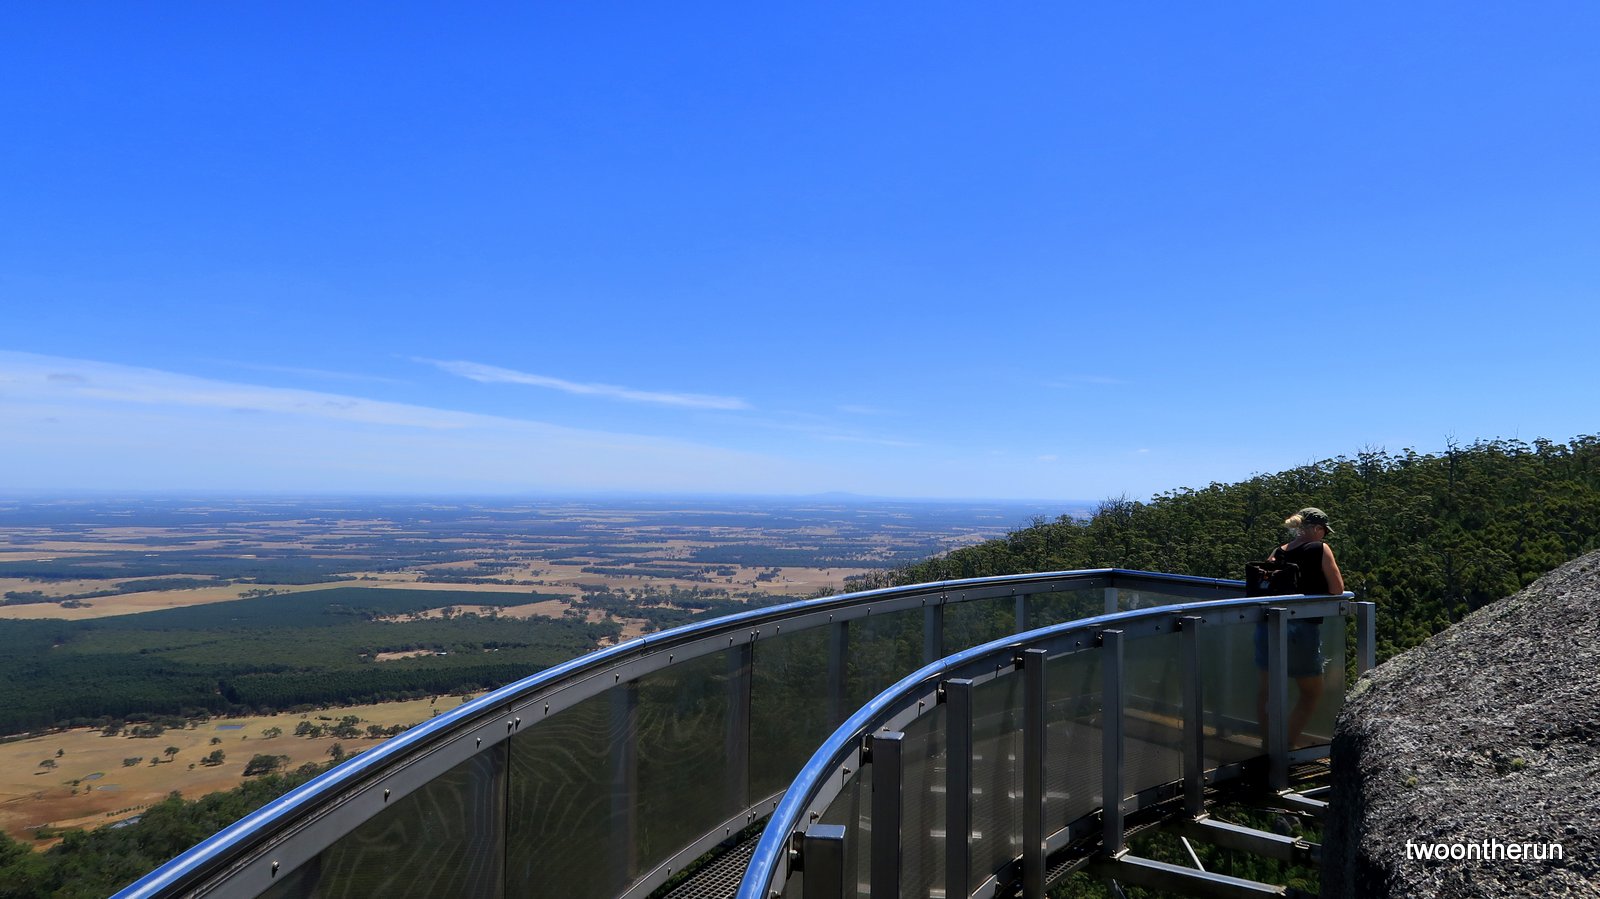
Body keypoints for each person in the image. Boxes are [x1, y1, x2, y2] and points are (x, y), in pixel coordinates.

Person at [1254, 507, 1346, 749]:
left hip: (1268, 625)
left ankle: (1267, 745)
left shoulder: (1278, 552)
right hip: (1301, 628)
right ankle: (1285, 745)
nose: (1324, 536)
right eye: (1324, 531)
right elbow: (1337, 589)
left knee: (1267, 691)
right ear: (1316, 529)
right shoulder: (1319, 549)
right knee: (1311, 692)